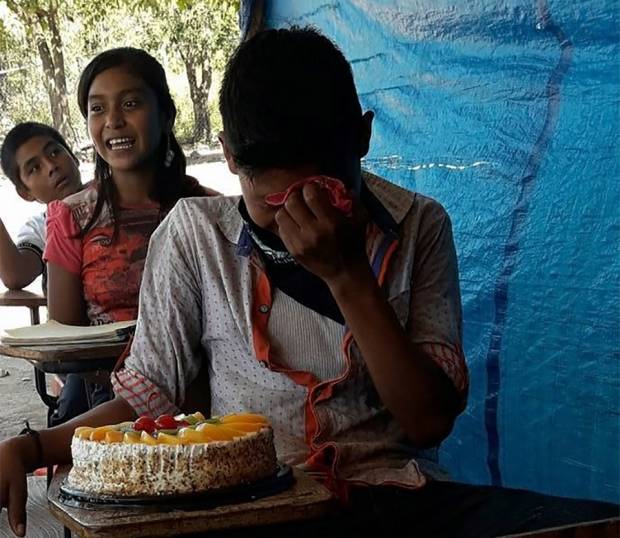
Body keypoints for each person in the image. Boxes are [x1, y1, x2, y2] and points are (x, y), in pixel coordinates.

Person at [0, 28, 617, 538]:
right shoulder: (195, 235)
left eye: (321, 192)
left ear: (364, 138)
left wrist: (349, 276)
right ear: (231, 159)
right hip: (249, 507)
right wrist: (36, 446)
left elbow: (428, 422)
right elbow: (152, 395)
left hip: (394, 498)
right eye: (273, 203)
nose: (299, 219)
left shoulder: (417, 226)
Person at [42, 47, 217, 425]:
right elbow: (66, 343)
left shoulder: (209, 212)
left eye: (131, 103)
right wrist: (138, 392)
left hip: (212, 402)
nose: (113, 121)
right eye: (98, 109)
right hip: (108, 404)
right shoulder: (73, 217)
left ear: (166, 114)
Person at [0, 123, 82, 291]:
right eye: (35, 168)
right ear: (25, 193)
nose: (51, 167)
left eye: (54, 153)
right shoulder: (40, 228)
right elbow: (16, 275)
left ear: (73, 157)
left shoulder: (115, 196)